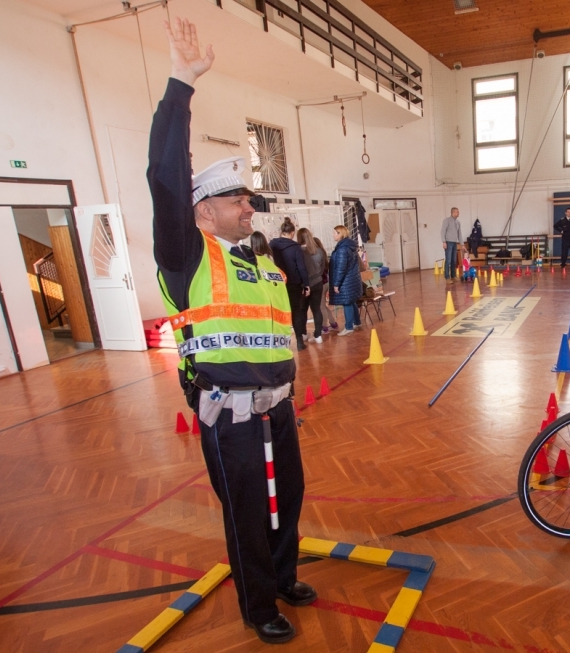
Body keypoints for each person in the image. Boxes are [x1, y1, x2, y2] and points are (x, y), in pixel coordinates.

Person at [148, 18, 314, 644]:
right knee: (246, 510)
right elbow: (164, 179)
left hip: (279, 407)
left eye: (249, 199)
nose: (251, 207)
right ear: (203, 212)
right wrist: (181, 84)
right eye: (238, 200)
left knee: (287, 497)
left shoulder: (260, 259)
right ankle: (258, 603)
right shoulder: (188, 255)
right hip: (230, 412)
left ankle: (284, 575)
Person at [269, 218, 311, 350]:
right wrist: (306, 284)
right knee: (296, 311)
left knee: (280, 312)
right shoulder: (295, 247)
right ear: (292, 233)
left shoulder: (272, 245)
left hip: (277, 283)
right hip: (294, 283)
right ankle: (299, 342)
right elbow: (301, 268)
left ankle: (282, 343)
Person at [329, 225, 363, 335]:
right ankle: (357, 322)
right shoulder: (349, 246)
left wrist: (336, 284)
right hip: (352, 279)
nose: (333, 235)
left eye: (335, 233)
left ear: (340, 234)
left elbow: (341, 268)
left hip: (345, 281)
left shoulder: (342, 249)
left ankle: (348, 327)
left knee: (347, 302)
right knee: (351, 301)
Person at [297, 228, 325, 344]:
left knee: (302, 310)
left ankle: (303, 334)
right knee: (316, 309)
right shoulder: (319, 251)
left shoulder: (297, 252)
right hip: (318, 282)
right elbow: (322, 268)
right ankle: (318, 335)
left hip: (303, 285)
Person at [314, 237, 338, 334]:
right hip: (326, 282)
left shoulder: (316, 255)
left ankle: (324, 326)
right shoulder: (323, 253)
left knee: (321, 306)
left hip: (322, 283)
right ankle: (333, 323)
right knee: (323, 305)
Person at [441, 208, 462, 282]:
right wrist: (444, 241)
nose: (458, 213)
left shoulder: (458, 222)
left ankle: (453, 276)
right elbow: (443, 231)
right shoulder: (446, 220)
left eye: (458, 212)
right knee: (448, 260)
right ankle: (447, 277)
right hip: (448, 242)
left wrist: (462, 244)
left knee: (454, 260)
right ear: (453, 213)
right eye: (457, 212)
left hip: (454, 242)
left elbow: (459, 234)